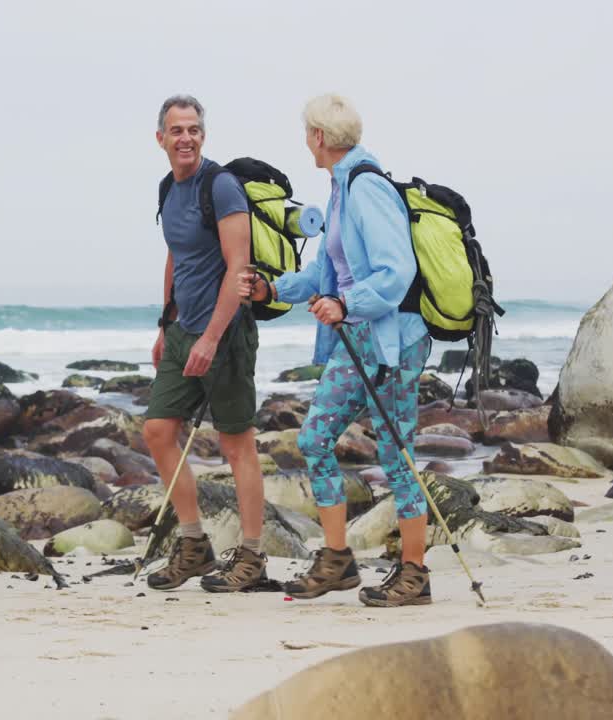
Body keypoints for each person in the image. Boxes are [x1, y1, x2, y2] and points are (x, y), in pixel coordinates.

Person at [240, 93, 434, 607]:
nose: (306, 141)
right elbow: (328, 273)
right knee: (315, 438)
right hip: (356, 342)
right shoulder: (340, 189)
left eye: (307, 133)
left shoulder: (367, 187)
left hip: (392, 343)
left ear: (319, 137)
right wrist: (273, 290)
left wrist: (345, 304)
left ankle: (414, 574)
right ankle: (337, 561)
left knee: (397, 457)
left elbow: (397, 272)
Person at [142, 94, 267, 593]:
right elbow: (176, 258)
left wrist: (213, 338)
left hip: (226, 333)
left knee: (237, 446)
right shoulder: (167, 190)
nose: (186, 138)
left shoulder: (222, 187)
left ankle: (253, 556)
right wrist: (164, 324)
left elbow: (239, 268)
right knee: (156, 430)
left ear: (203, 135)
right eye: (176, 130)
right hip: (181, 331)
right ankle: (194, 546)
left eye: (193, 129)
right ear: (161, 139)